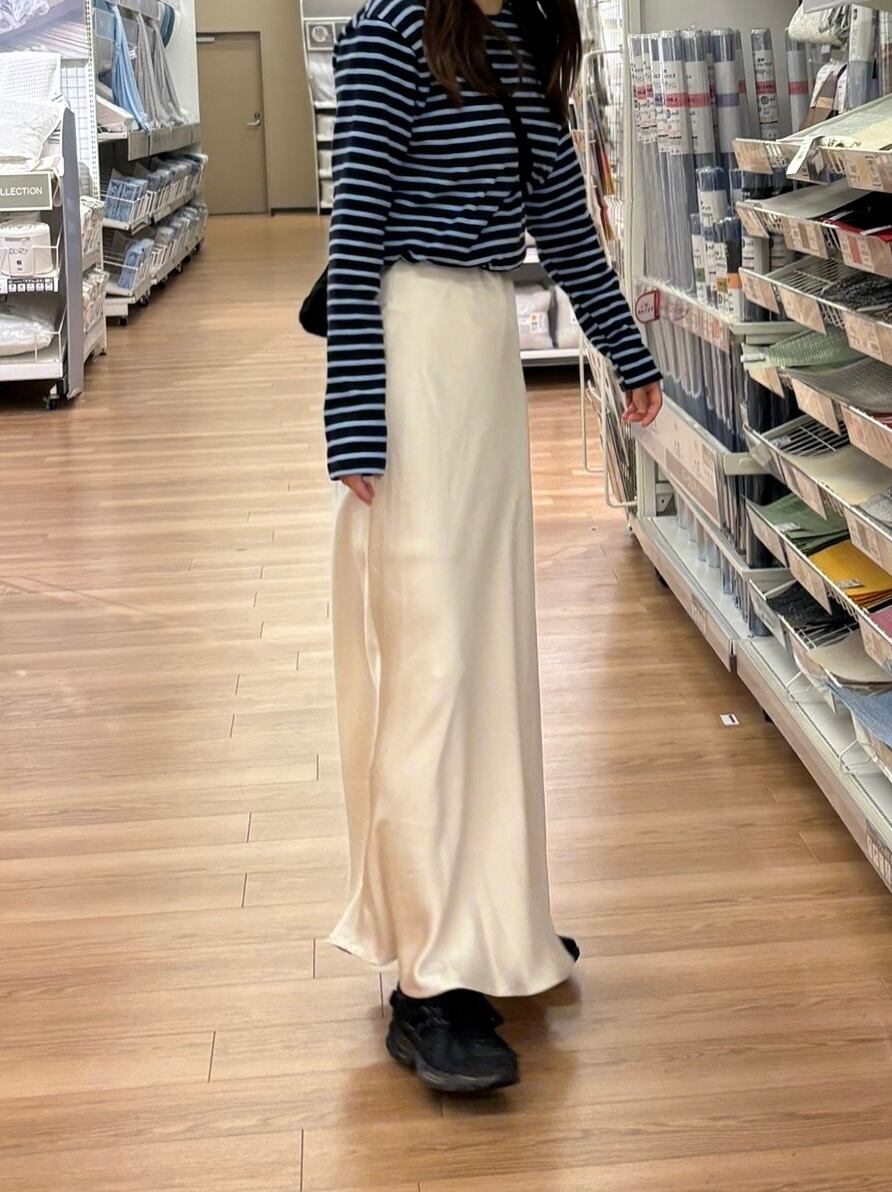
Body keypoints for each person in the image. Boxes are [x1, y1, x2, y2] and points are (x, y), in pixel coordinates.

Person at [323, 0, 662, 1094]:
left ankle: (494, 914)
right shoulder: (390, 34)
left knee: (492, 657)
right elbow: (355, 229)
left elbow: (561, 217)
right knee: (431, 666)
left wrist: (626, 352)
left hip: (480, 352)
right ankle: (428, 979)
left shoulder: (514, 36)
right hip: (410, 352)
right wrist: (354, 419)